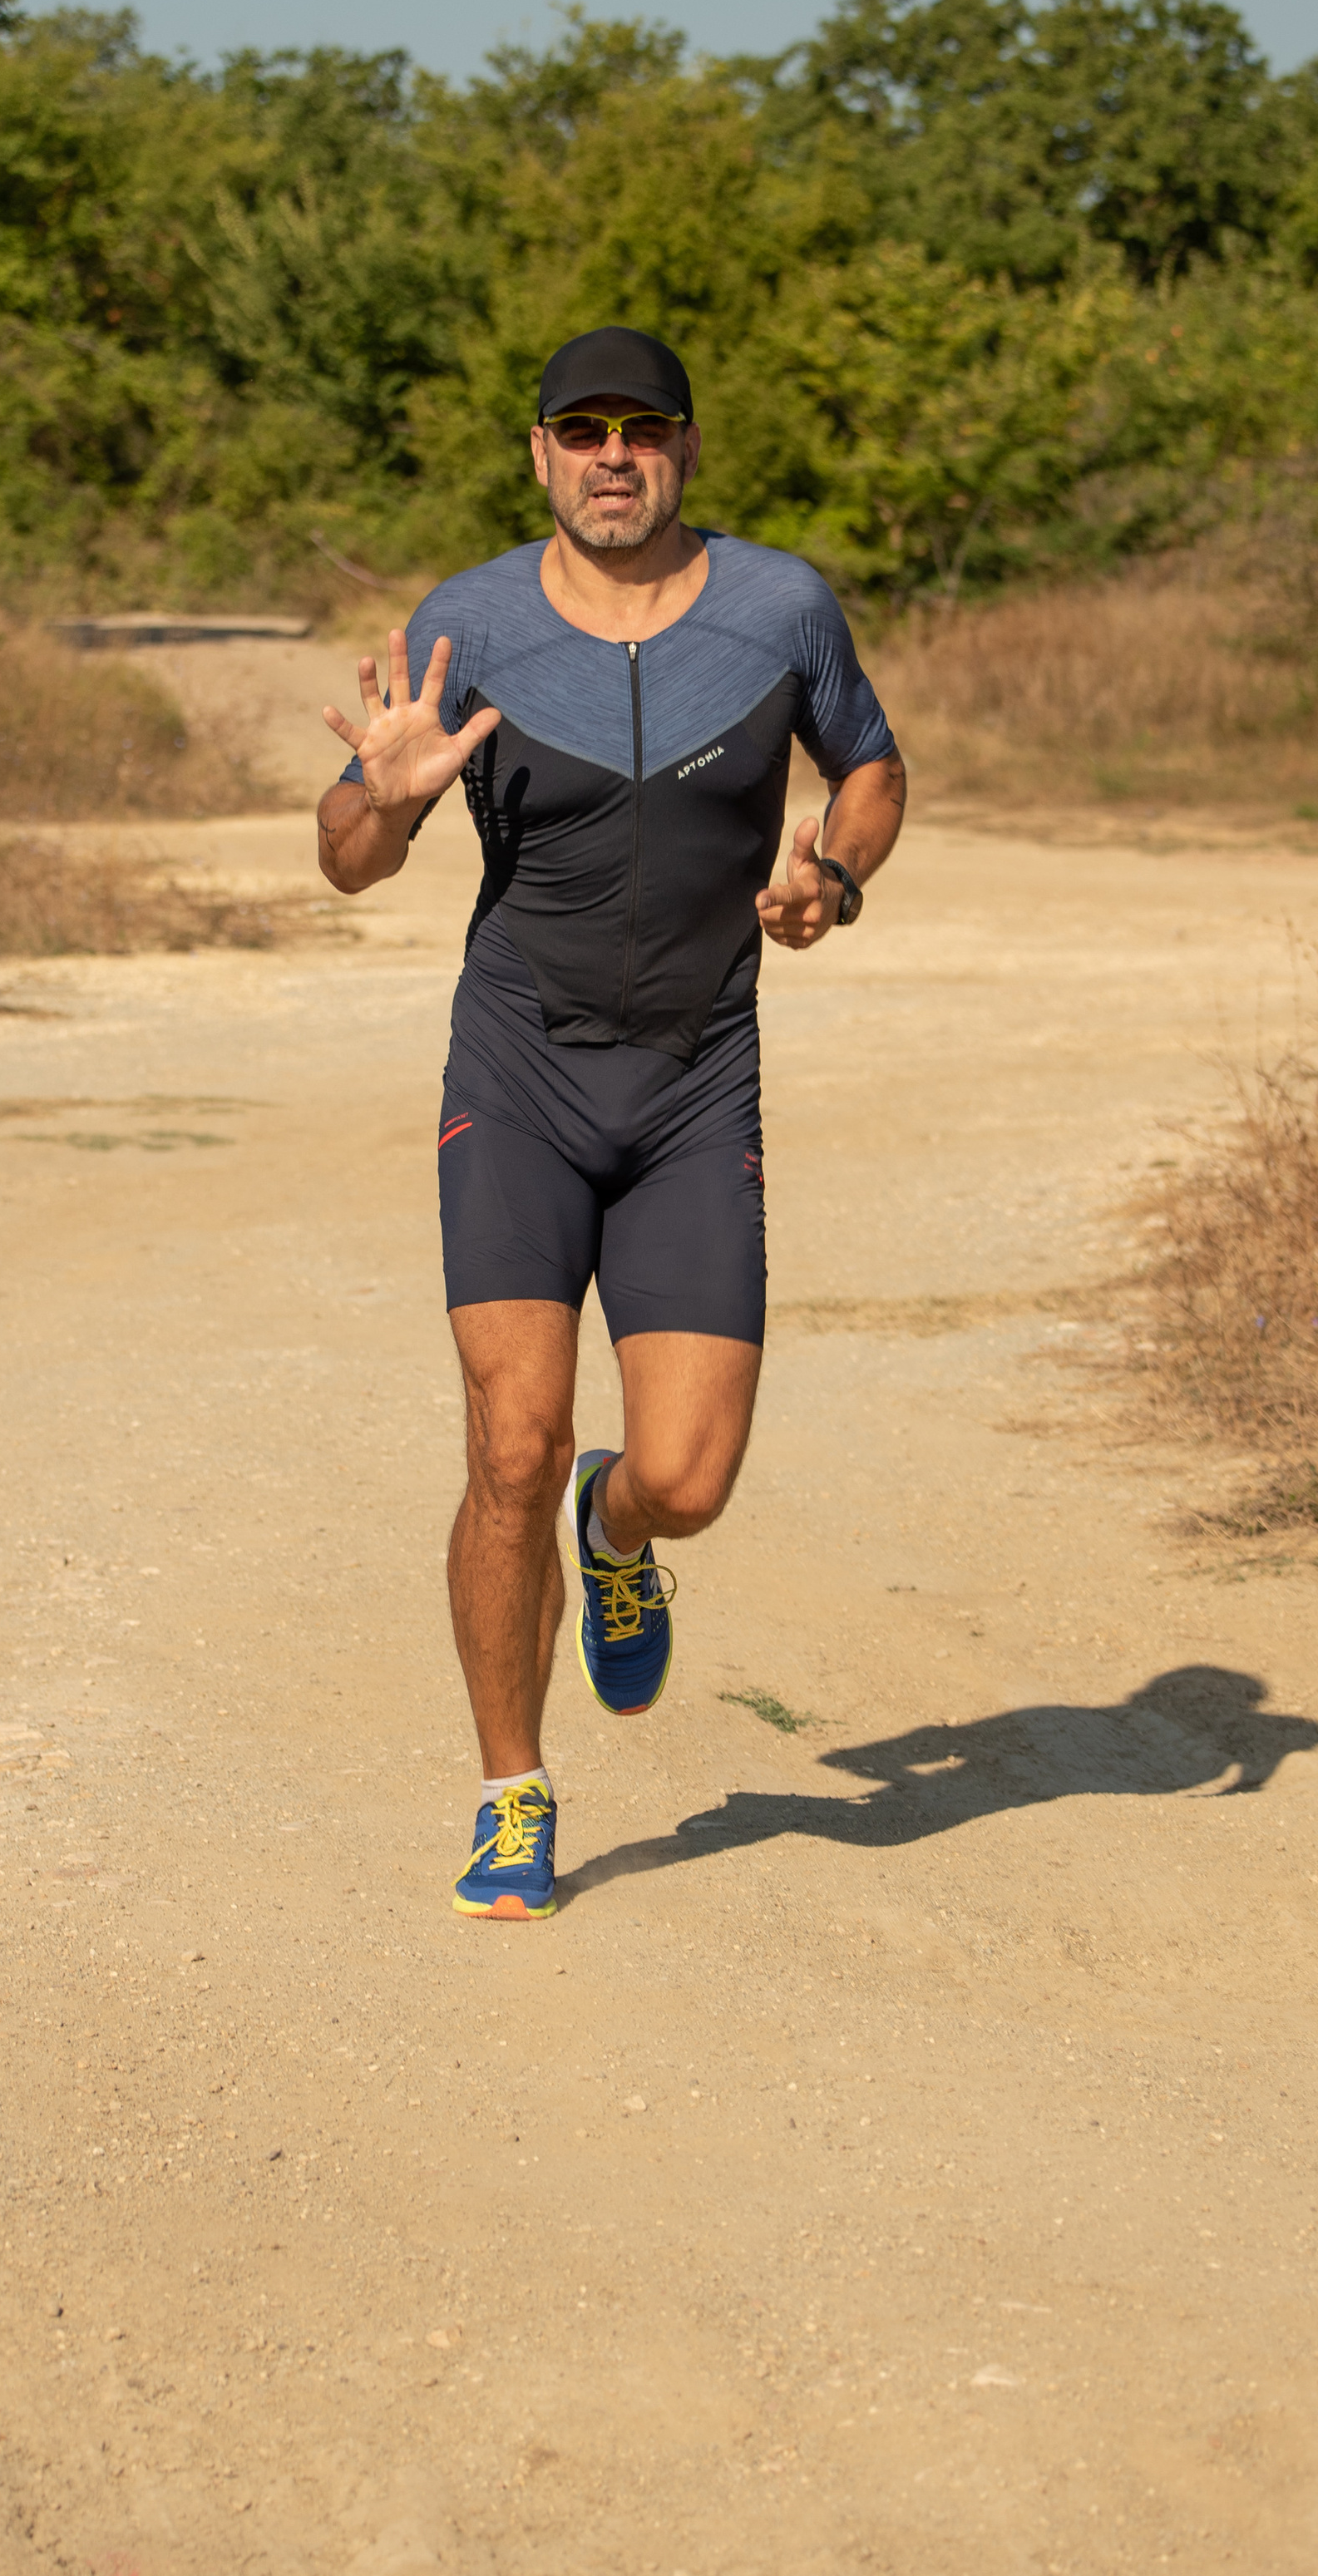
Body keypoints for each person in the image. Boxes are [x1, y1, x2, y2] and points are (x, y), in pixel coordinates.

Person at [317, 325, 906, 1918]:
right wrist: (384, 790)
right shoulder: (474, 622)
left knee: (690, 1477)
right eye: (583, 430)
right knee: (508, 1436)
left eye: (643, 429)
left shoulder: (782, 607)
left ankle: (616, 1524)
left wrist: (833, 877)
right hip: (518, 1072)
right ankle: (515, 1792)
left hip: (697, 1078)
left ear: (688, 450)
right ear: (540, 455)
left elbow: (872, 768)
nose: (613, 454)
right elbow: (348, 859)